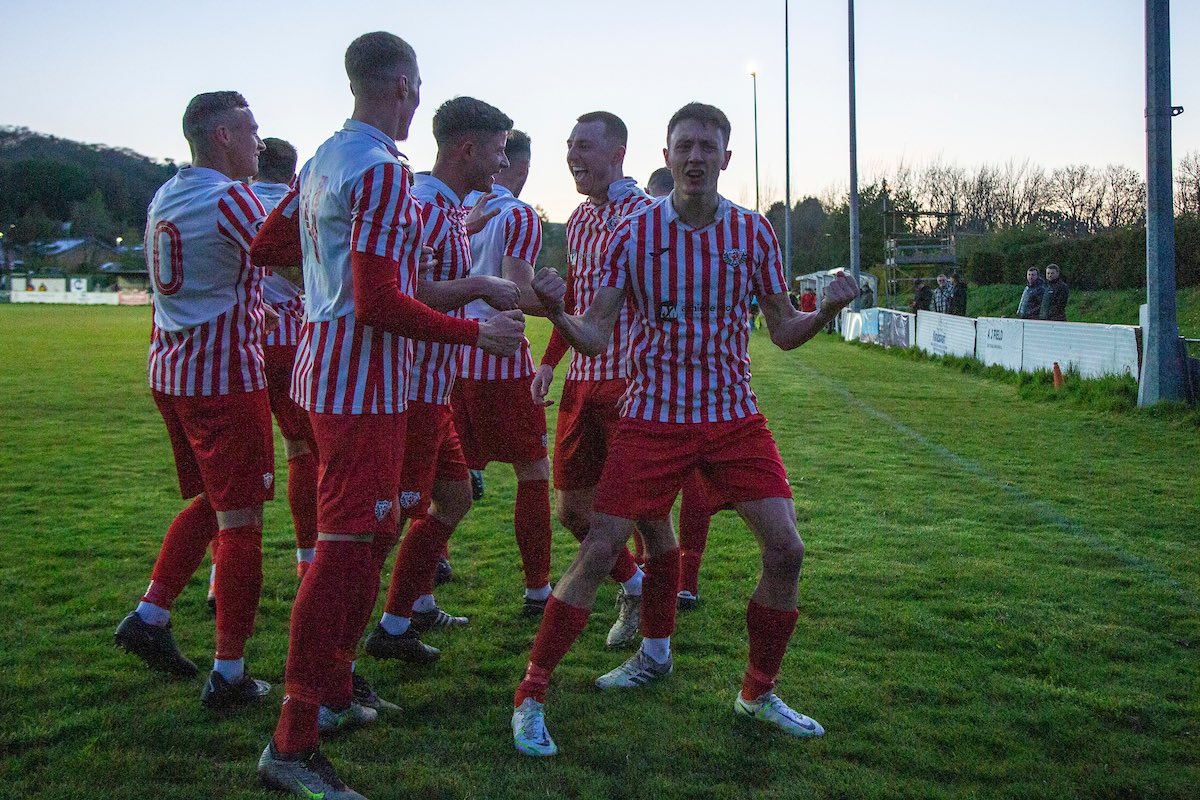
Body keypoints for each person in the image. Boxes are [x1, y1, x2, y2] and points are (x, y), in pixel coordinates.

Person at [511, 102, 857, 757]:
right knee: (597, 546)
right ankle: (530, 696)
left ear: (726, 158)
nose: (695, 156)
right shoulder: (633, 236)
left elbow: (782, 331)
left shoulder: (754, 234)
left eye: (707, 146)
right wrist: (557, 310)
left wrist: (825, 312)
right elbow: (594, 336)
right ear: (668, 157)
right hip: (653, 417)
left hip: (733, 419)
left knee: (787, 550)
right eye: (684, 146)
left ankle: (757, 692)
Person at [251, 32, 525, 799]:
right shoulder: (375, 170)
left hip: (342, 375)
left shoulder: (326, 157)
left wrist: (321, 291)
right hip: (361, 387)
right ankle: (292, 742)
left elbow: (270, 244)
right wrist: (477, 327)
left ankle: (334, 690)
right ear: (402, 87)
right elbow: (376, 301)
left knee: (368, 538)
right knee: (343, 552)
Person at [113, 91, 275, 711]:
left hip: (172, 371)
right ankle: (229, 673)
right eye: (251, 129)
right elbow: (289, 256)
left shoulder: (167, 193)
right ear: (225, 137)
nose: (259, 141)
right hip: (224, 378)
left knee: (214, 501)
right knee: (241, 520)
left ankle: (150, 616)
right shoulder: (230, 197)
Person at [368, 96, 521, 664]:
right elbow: (407, 297)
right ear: (467, 149)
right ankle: (359, 641)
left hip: (436, 390)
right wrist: (481, 286)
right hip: (410, 390)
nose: (502, 166)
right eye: (498, 152)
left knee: (453, 499)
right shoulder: (426, 207)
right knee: (386, 523)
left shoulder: (448, 208)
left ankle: (403, 613)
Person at [532, 111, 651, 648]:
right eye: (569, 145)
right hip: (583, 380)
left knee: (644, 515)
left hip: (632, 383)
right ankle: (635, 584)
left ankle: (657, 636)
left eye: (584, 146)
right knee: (573, 510)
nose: (572, 156)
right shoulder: (578, 220)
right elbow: (576, 303)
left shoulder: (649, 217)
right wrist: (551, 361)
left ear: (618, 153)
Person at [207, 136, 317, 613]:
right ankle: (307, 559)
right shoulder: (296, 206)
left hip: (240, 344)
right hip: (292, 338)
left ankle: (219, 573)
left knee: (226, 472)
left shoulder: (236, 201)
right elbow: (302, 267)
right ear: (292, 174)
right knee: (303, 449)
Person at [451, 129, 557, 617]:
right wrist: (572, 301)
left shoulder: (456, 210)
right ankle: (538, 588)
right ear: (521, 165)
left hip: (448, 358)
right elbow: (516, 291)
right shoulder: (516, 213)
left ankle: (426, 587)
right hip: (500, 356)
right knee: (532, 470)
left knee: (447, 478)